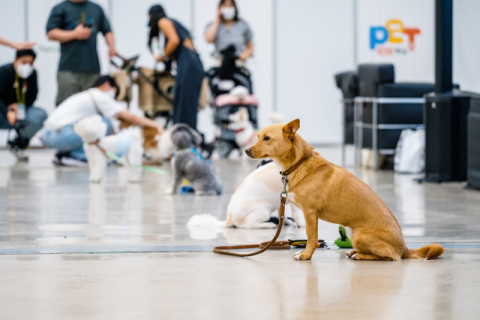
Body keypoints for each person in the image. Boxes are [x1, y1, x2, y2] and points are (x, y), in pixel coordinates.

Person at [43, 76, 164, 166]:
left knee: (93, 125)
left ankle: (64, 154)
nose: (112, 96)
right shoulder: (99, 95)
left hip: (49, 135)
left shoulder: (87, 95)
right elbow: (129, 117)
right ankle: (78, 157)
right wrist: (155, 124)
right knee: (103, 124)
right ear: (106, 85)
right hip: (62, 135)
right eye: (114, 92)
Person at [46, 0, 117, 106]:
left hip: (92, 68)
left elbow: (107, 30)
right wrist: (74, 34)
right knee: (66, 106)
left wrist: (111, 46)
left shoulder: (96, 8)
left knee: (91, 106)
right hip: (68, 68)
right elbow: (51, 33)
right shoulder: (60, 8)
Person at [148, 5, 204, 130]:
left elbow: (174, 40)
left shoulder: (163, 21)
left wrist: (163, 56)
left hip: (189, 64)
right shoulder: (174, 23)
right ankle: (185, 136)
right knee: (187, 103)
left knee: (184, 104)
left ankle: (183, 137)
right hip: (191, 63)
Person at [0, 49, 47, 161]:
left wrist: (20, 106)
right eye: (24, 62)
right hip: (2, 111)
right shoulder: (4, 71)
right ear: (15, 60)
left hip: (21, 110)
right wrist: (7, 112)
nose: (27, 66)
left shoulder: (32, 74)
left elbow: (32, 96)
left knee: (40, 115)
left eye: (30, 63)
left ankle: (19, 143)